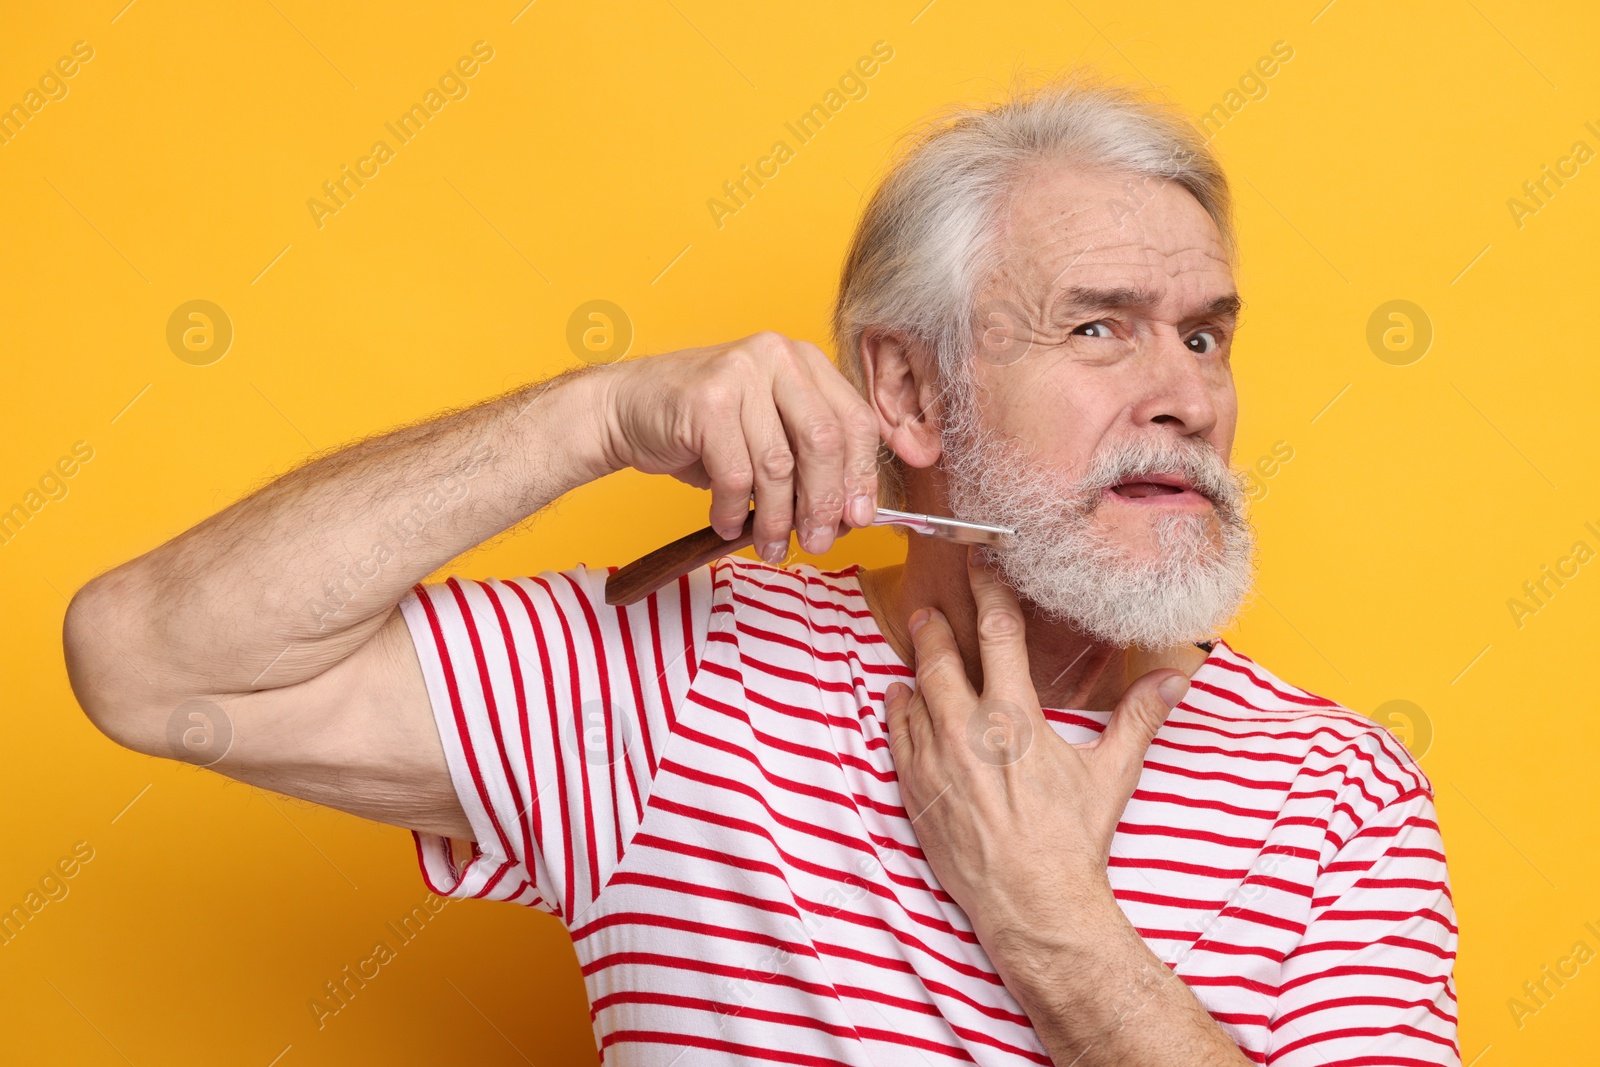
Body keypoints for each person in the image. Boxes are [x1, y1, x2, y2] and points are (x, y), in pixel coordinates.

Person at [63, 72, 1458, 1065]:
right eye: (1102, 330)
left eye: (1205, 337)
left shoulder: (1341, 798)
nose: (1184, 398)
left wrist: (1056, 932)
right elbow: (151, 661)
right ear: (907, 393)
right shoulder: (680, 677)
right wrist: (595, 419)